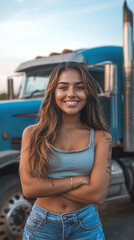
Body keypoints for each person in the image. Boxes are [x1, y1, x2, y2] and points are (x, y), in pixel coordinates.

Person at [20, 61, 112, 240]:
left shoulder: (102, 137)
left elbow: (97, 194)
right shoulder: (32, 134)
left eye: (79, 87)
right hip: (41, 225)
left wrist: (44, 186)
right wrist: (76, 180)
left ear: (88, 93)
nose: (71, 94)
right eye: (63, 87)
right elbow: (29, 189)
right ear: (53, 92)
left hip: (86, 224)